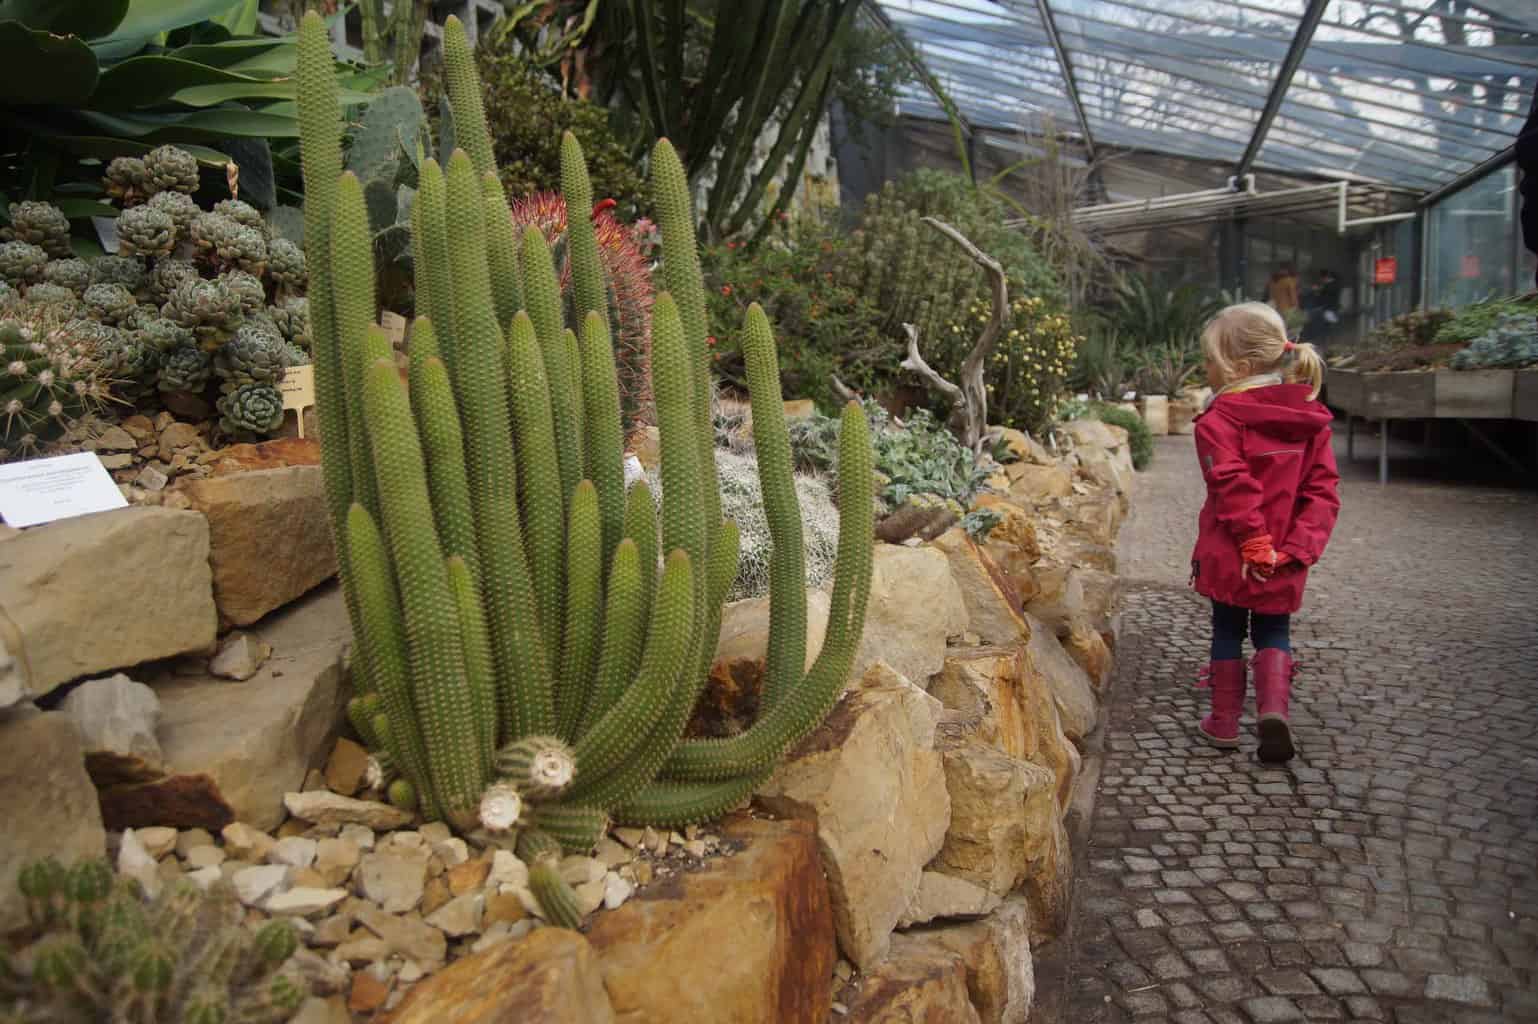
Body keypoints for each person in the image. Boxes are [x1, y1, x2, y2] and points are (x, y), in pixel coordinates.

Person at [1190, 303, 1340, 763]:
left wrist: (1253, 543)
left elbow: (1232, 483)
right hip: (1287, 556)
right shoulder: (1312, 420)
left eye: (1211, 361)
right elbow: (1323, 491)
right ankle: (1273, 711)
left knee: (1227, 630)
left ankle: (1224, 722)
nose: (1207, 370)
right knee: (1275, 630)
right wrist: (1298, 549)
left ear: (1241, 366)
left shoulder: (1218, 422)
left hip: (1233, 551)